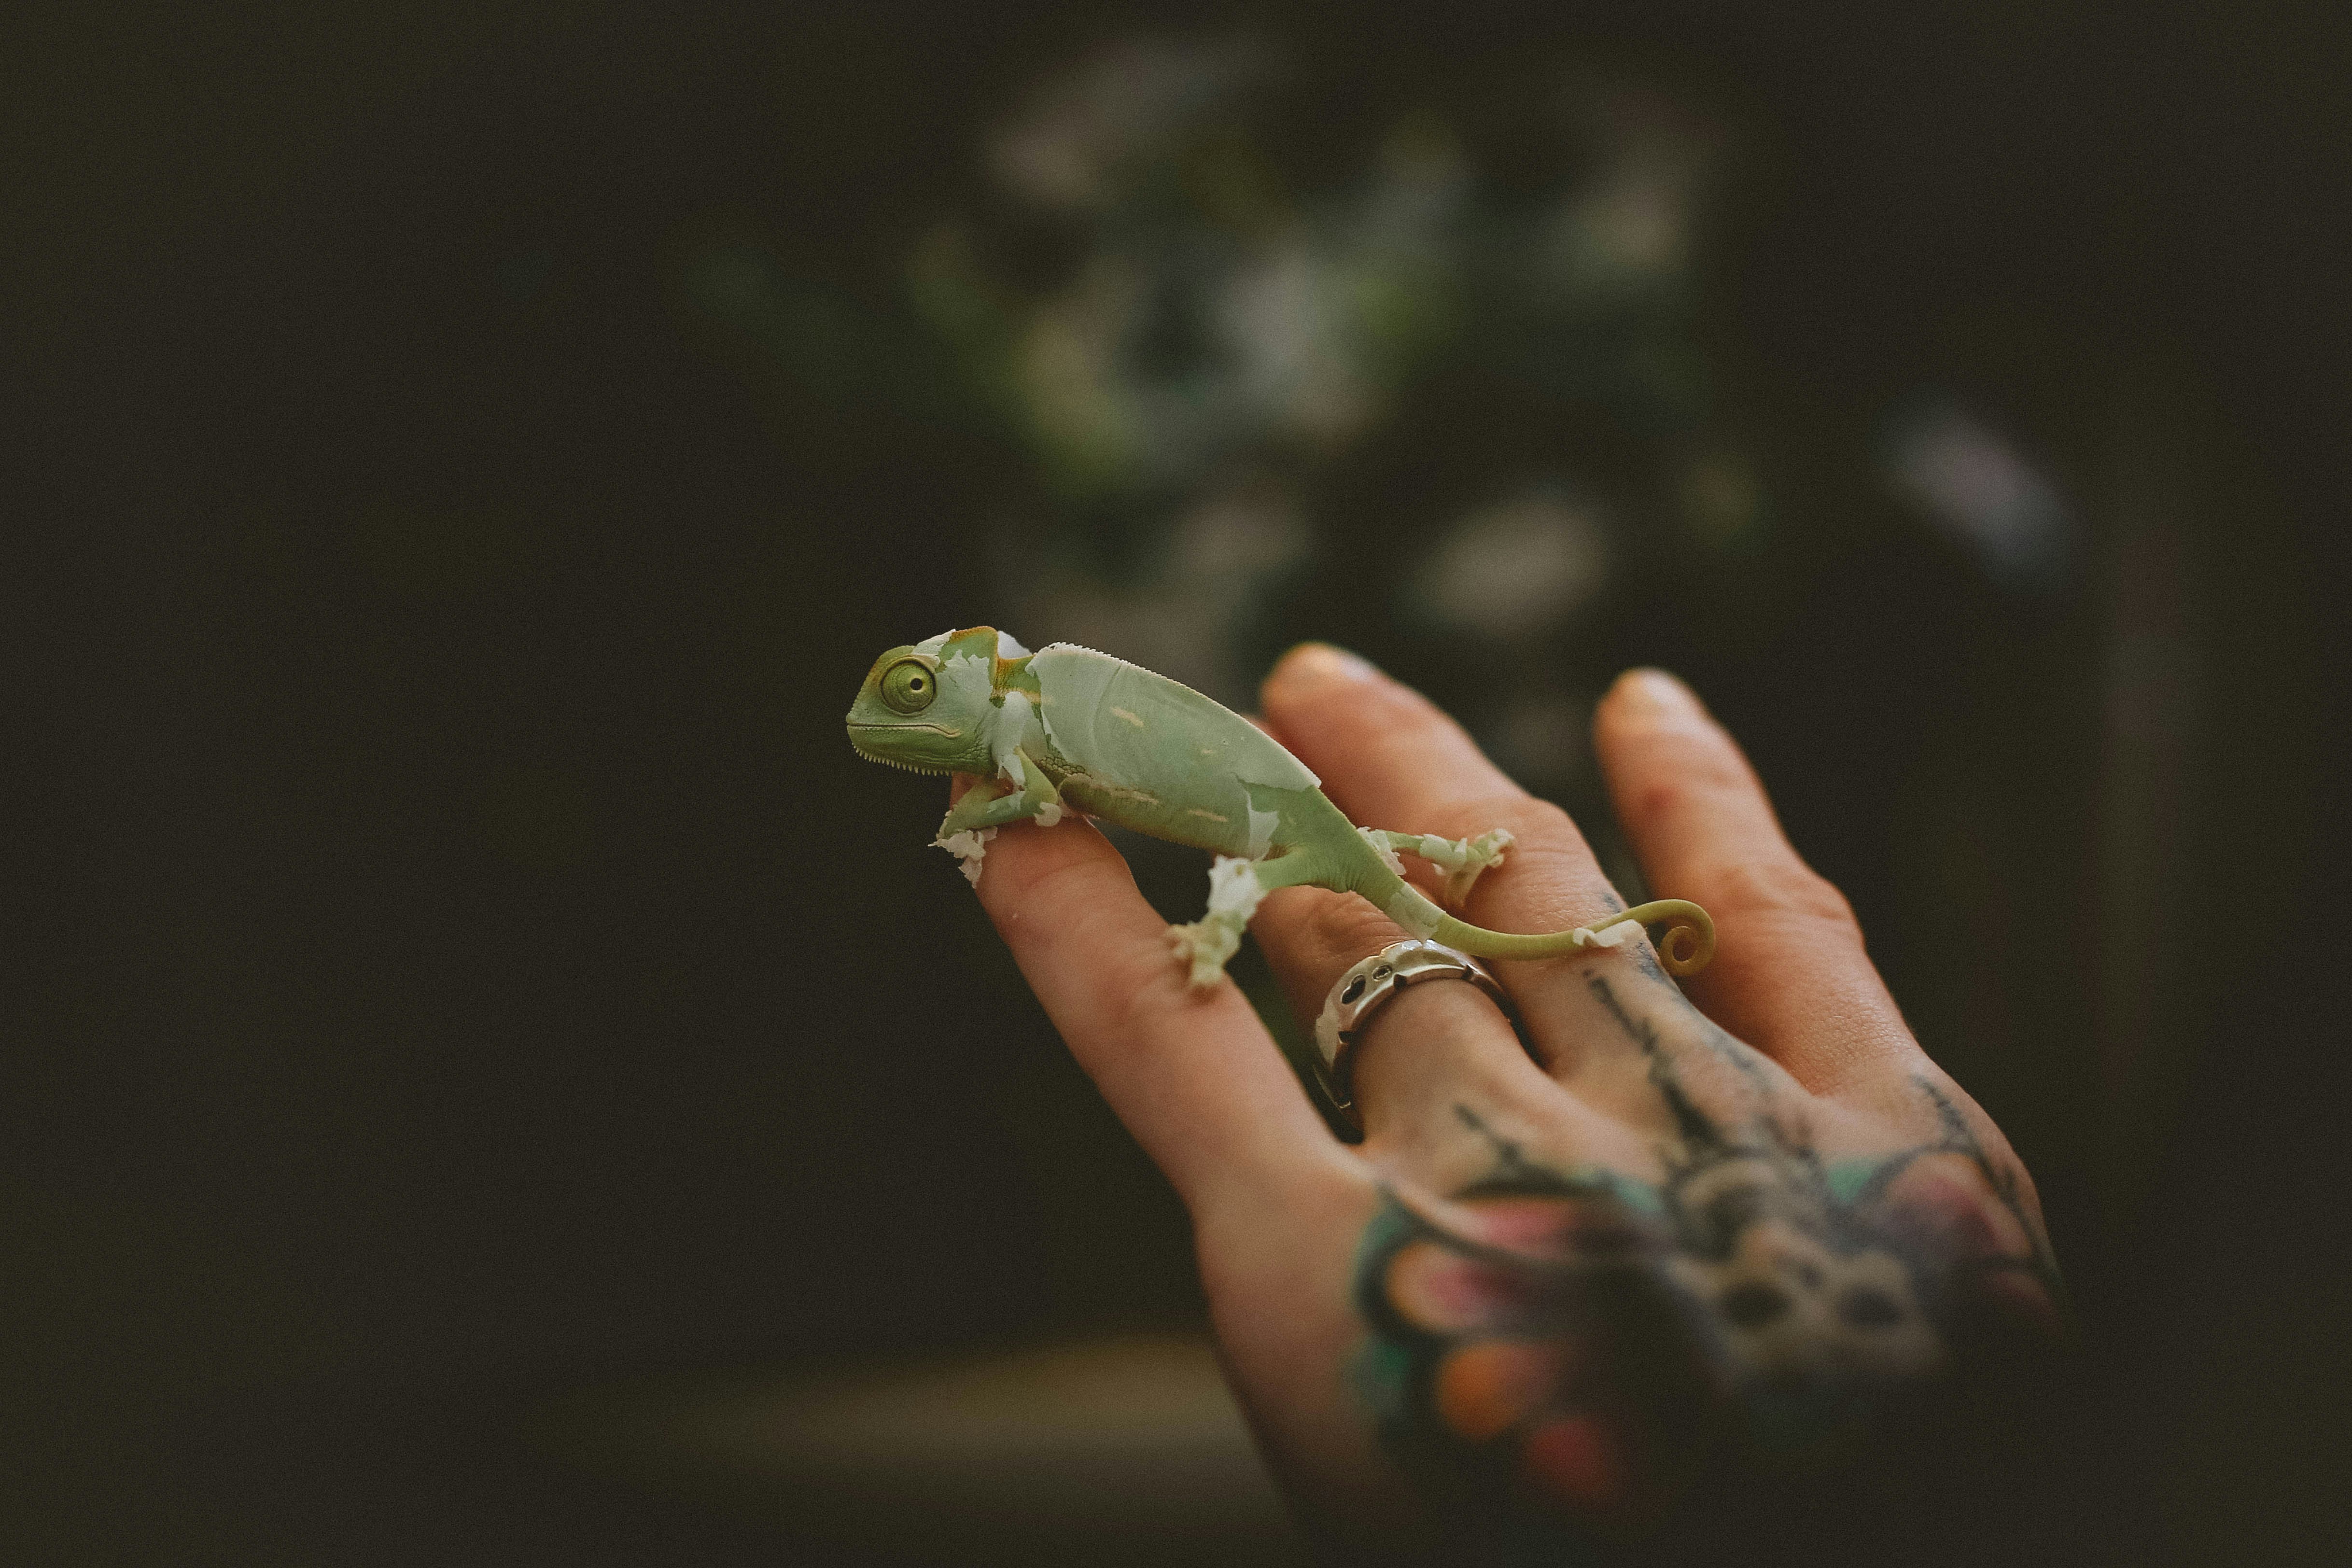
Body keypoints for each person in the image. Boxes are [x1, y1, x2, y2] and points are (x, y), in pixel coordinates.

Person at [956, 644, 2067, 1563]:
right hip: (1340, 838)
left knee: (1260, 885)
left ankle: (1226, 923)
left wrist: (1220, 934)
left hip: (1298, 840)